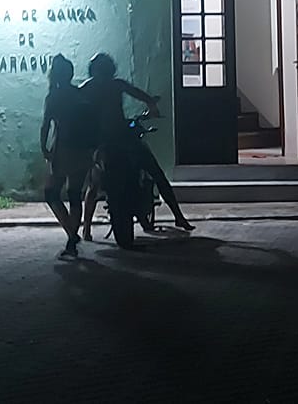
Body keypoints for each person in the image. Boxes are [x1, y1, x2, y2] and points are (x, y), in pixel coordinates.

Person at [77, 52, 194, 242]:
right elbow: (142, 95)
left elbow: (75, 109)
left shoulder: (86, 87)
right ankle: (178, 216)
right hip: (121, 138)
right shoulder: (116, 84)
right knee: (156, 173)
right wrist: (152, 105)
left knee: (94, 184)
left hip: (102, 141)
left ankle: (86, 228)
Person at [39, 54, 99, 259]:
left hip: (63, 149)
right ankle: (72, 236)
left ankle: (71, 235)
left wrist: (44, 148)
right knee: (75, 195)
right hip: (83, 151)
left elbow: (46, 125)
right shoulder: (79, 94)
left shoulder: (53, 97)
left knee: (51, 193)